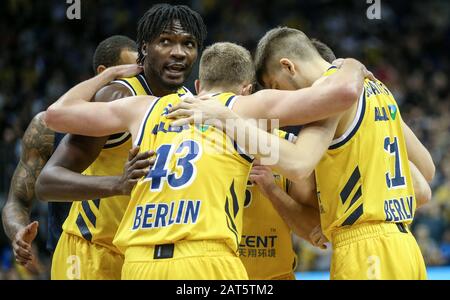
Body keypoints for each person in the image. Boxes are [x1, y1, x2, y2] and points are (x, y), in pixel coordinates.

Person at [42, 40, 368, 279]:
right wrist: (349, 64)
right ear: (247, 89)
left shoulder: (143, 107)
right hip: (204, 260)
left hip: (139, 263)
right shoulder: (246, 107)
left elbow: (55, 115)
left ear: (197, 85)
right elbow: (342, 95)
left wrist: (109, 74)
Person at [170, 28, 435, 280]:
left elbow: (297, 164)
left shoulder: (331, 98)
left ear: (289, 67)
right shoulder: (379, 90)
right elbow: (425, 180)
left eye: (277, 86)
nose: (285, 102)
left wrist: (228, 119)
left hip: (366, 253)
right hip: (403, 246)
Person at [35, 4, 207, 280]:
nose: (178, 52)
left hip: (140, 258)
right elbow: (47, 182)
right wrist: (117, 184)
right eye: (166, 41)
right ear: (145, 49)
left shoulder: (188, 100)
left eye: (188, 43)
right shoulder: (117, 96)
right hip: (90, 253)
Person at [1, 35, 140, 277]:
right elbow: (17, 200)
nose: (137, 84)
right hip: (75, 258)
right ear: (104, 73)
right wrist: (18, 233)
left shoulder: (142, 119)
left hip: (133, 255)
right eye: (129, 74)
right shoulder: (47, 126)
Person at [238, 40, 338, 280]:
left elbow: (315, 232)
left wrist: (272, 190)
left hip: (276, 275)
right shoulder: (211, 144)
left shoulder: (291, 149)